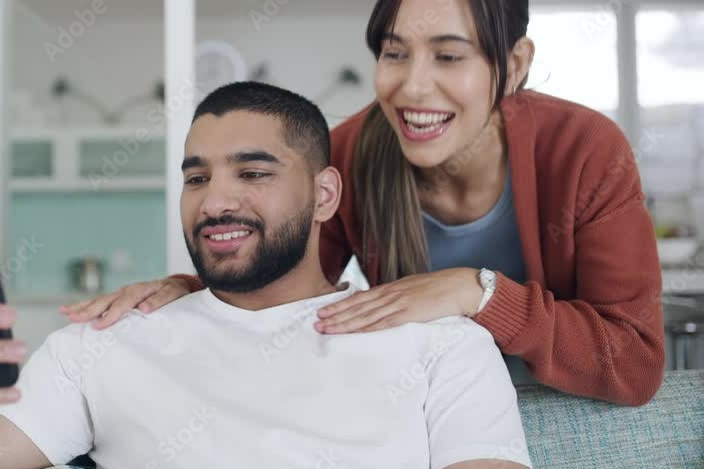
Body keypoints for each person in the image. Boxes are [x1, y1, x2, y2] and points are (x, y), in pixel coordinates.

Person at [0, 82, 533, 469]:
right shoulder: (104, 342)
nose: (215, 201)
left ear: (326, 196)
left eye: (253, 173)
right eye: (196, 177)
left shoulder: (442, 345)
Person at [63, 0, 665, 406]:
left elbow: (634, 363)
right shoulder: (349, 152)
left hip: (558, 407)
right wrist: (186, 292)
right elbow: (287, 281)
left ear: (513, 66)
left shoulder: (585, 151)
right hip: (428, 414)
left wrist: (478, 293)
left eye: (449, 56)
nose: (412, 87)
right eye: (394, 53)